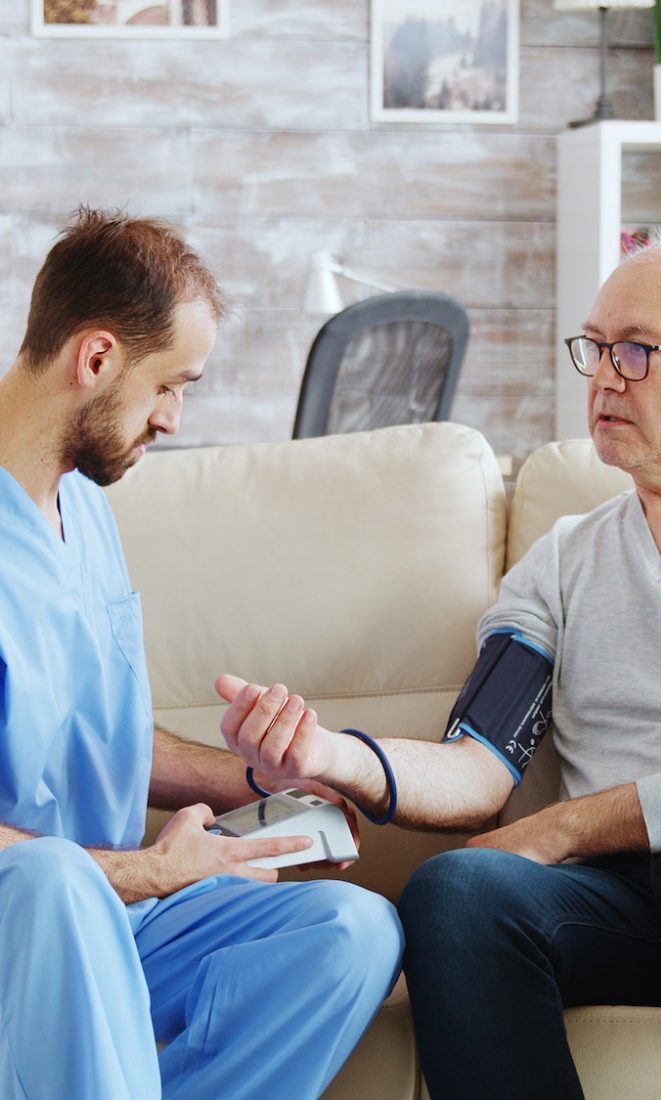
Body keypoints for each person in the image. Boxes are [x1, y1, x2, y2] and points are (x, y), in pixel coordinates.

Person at [215, 234, 661, 1098]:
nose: (603, 377)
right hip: (614, 906)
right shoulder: (565, 562)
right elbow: (480, 764)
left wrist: (561, 829)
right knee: (455, 892)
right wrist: (330, 756)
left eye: (636, 349)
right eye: (594, 347)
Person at [0, 207, 403, 1100]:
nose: (176, 418)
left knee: (352, 931)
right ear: (96, 359)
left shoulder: (84, 507)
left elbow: (99, 738)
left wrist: (265, 787)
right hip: (28, 925)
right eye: (171, 385)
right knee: (53, 880)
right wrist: (149, 871)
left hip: (111, 913)